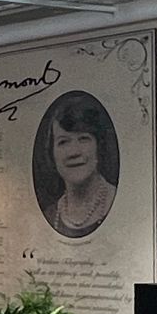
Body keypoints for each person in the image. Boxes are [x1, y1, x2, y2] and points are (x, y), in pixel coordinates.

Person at [45, 97, 117, 239]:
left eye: (83, 139)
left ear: (98, 146)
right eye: (63, 142)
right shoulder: (50, 215)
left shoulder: (121, 204)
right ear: (52, 152)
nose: (74, 152)